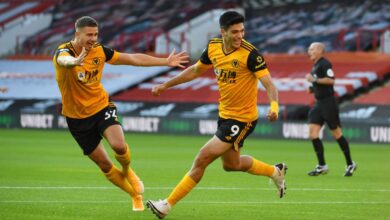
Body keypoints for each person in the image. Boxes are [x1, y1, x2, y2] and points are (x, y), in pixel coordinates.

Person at [146, 11, 287, 219]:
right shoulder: (213, 47)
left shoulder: (251, 54)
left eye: (242, 31)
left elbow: (270, 85)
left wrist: (274, 106)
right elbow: (195, 70)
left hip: (243, 119)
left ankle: (166, 205)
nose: (240, 36)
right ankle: (275, 172)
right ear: (223, 32)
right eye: (235, 32)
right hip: (225, 115)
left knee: (202, 158)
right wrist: (166, 85)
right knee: (232, 165)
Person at [53, 16, 188, 211]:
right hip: (76, 118)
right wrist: (74, 61)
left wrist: (165, 61)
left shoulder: (100, 51)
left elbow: (133, 58)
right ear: (77, 34)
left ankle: (127, 170)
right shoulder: (64, 52)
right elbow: (63, 60)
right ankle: (135, 195)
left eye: (95, 34)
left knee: (118, 145)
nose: (93, 38)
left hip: (100, 107)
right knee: (105, 165)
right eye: (89, 35)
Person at [305, 42, 357, 177]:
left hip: (328, 103)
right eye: (309, 49)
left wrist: (314, 80)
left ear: (319, 51)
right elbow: (320, 83)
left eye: (311, 49)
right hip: (318, 103)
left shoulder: (325, 63)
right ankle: (322, 166)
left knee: (336, 133)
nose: (309, 51)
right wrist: (313, 89)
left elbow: (331, 80)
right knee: (312, 133)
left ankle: (350, 163)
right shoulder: (315, 66)